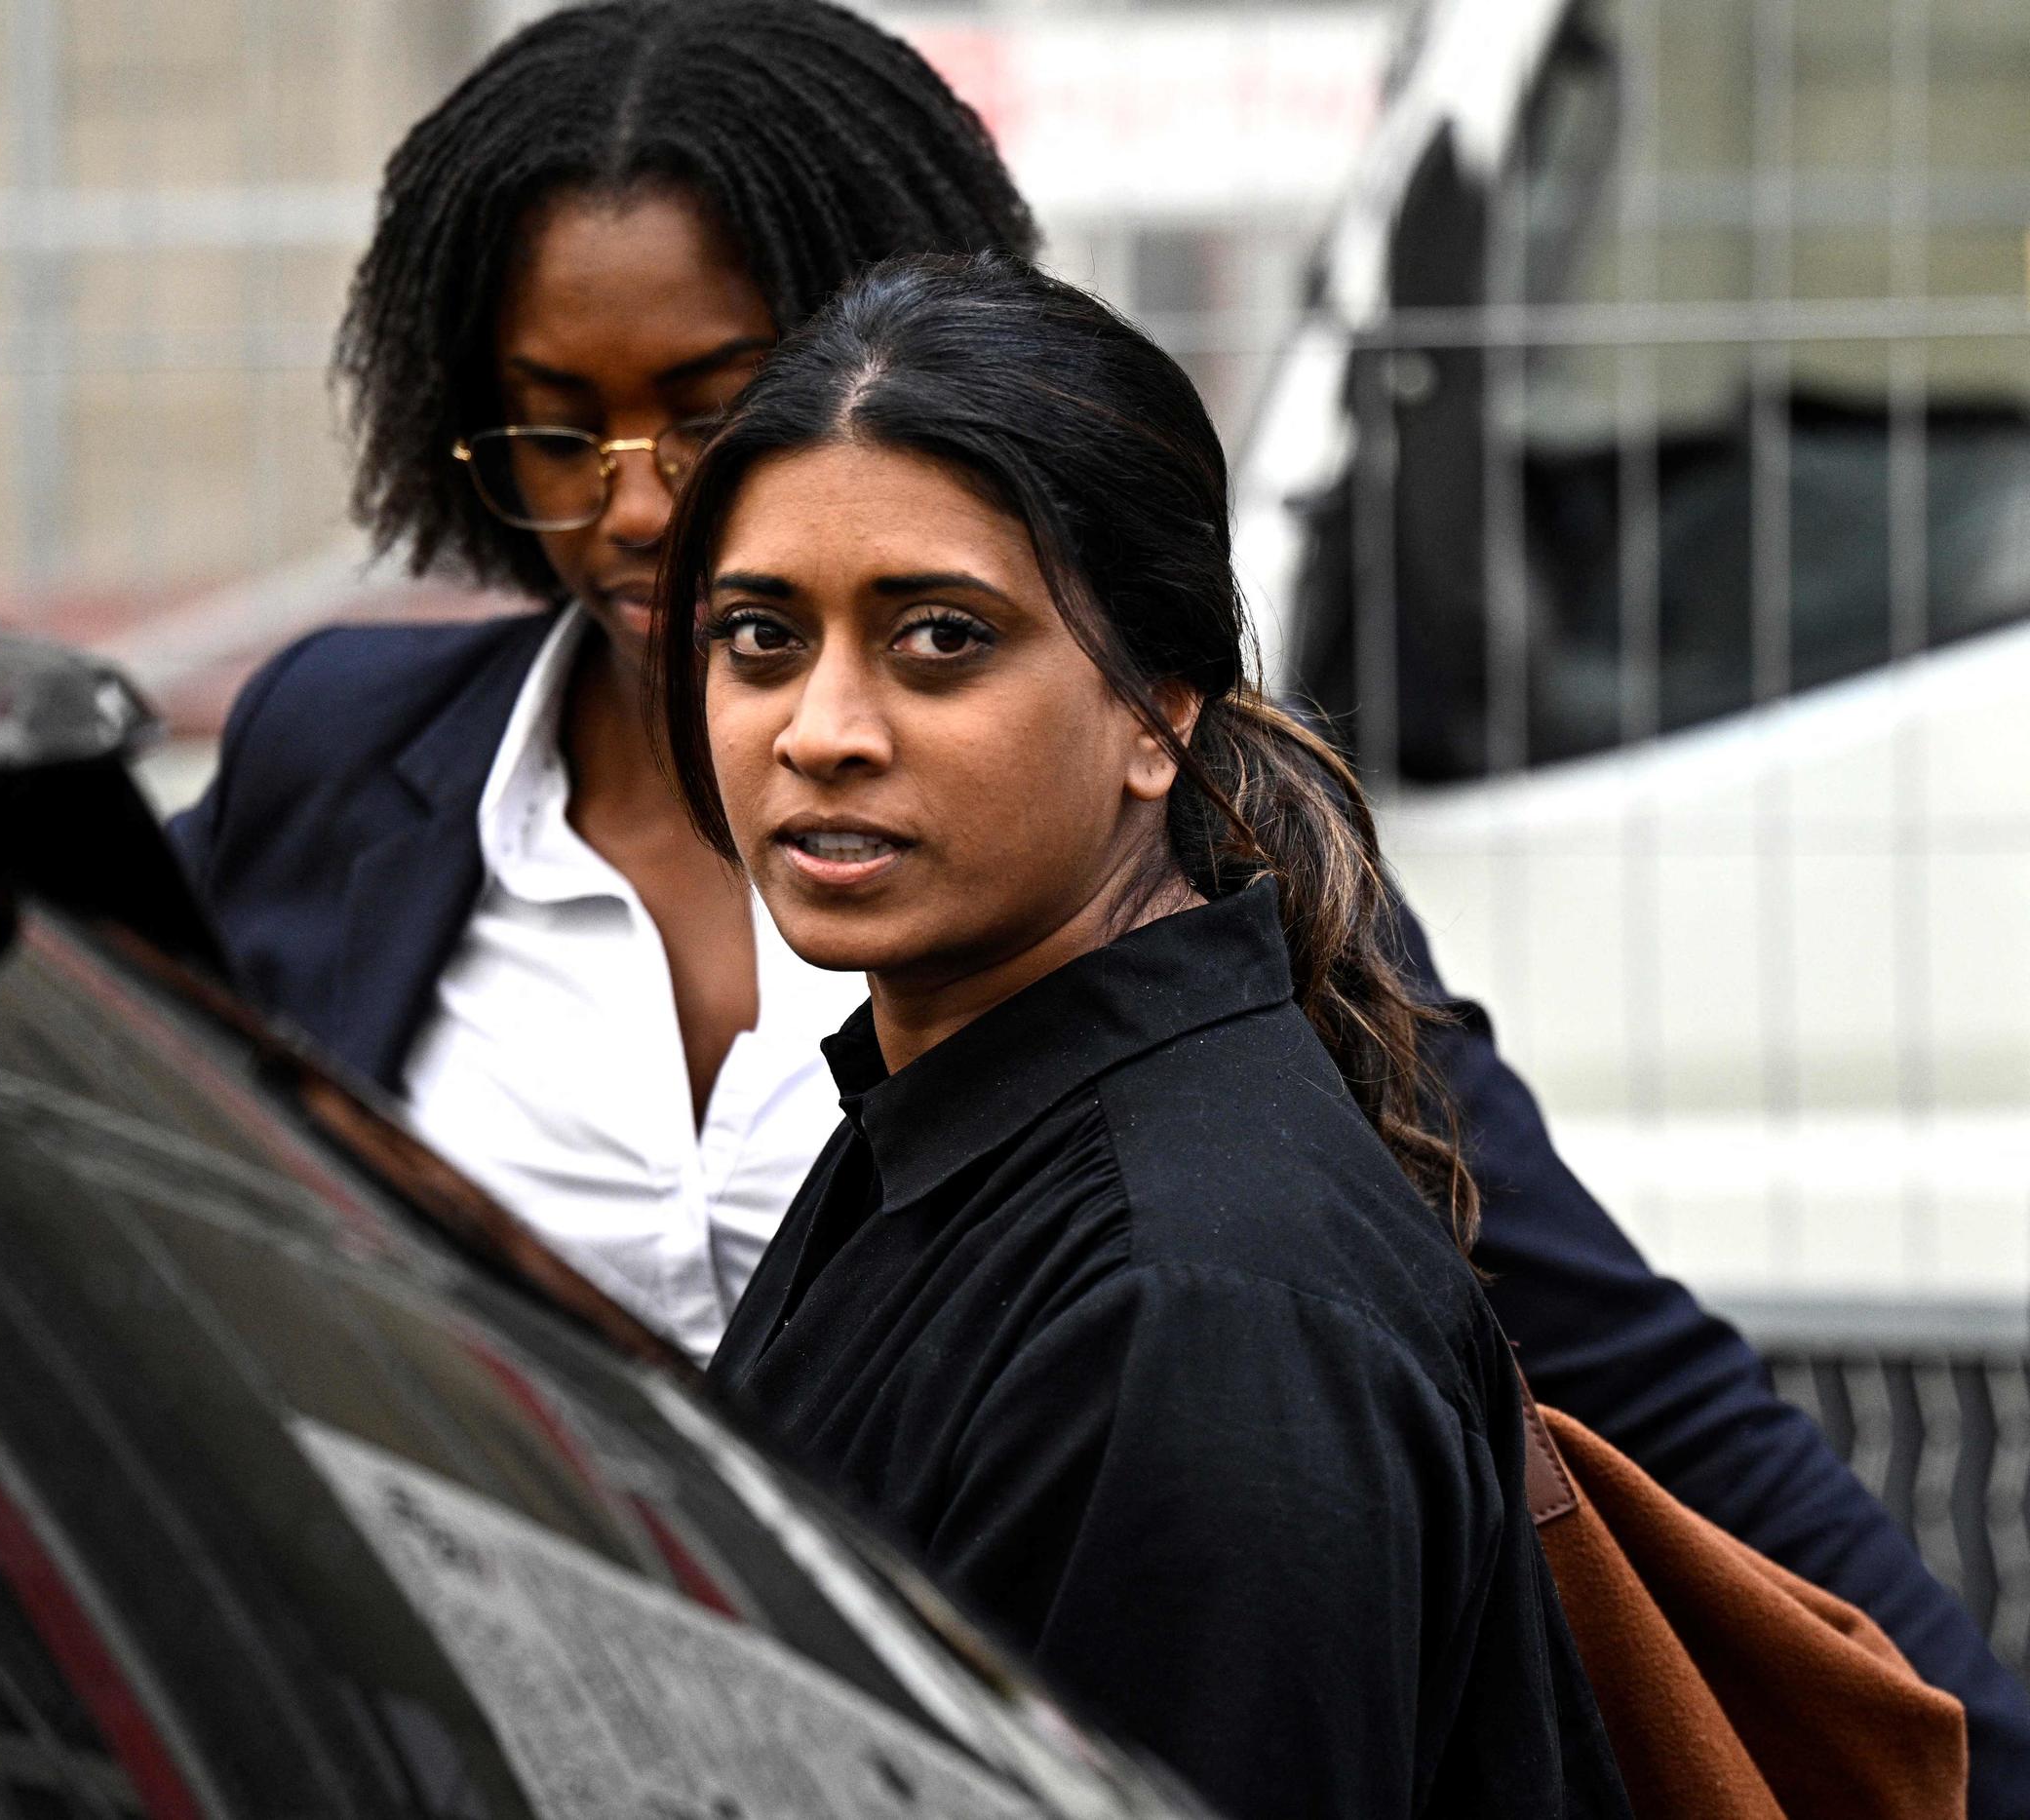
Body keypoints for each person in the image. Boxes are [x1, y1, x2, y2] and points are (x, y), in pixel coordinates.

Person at [168, 2, 2030, 1804]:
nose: (637, 505)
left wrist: (1965, 1755)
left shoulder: (1207, 1005)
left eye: (711, 412)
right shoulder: (343, 771)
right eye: (557, 429)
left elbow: (1590, 1357)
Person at [669, 246, 1621, 1819]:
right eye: (762, 637)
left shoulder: (1194, 1312)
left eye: (940, 640)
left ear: (1158, 709)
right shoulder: (964, 1111)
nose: (820, 730)